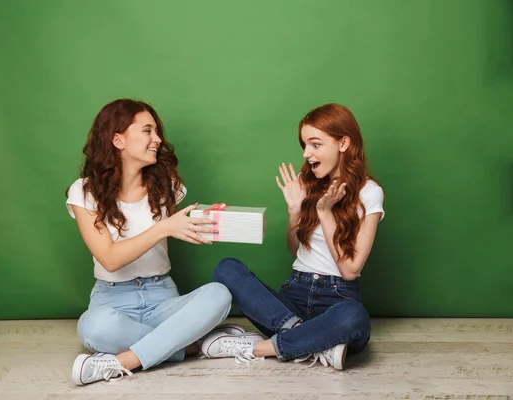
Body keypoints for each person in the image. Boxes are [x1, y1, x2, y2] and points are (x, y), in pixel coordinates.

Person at [66, 99, 238, 385]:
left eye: (156, 132)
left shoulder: (166, 185)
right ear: (118, 139)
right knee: (93, 327)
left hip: (162, 296)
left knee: (219, 294)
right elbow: (109, 258)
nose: (157, 139)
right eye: (147, 131)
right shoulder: (84, 192)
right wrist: (165, 228)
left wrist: (213, 220)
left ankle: (124, 361)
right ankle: (191, 345)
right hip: (112, 299)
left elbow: (184, 226)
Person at [201, 103, 385, 370]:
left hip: (338, 297)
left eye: (315, 144)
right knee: (227, 269)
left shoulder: (370, 193)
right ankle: (309, 340)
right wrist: (294, 210)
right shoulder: (307, 182)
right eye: (304, 145)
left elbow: (350, 270)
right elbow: (295, 248)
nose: (307, 153)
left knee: (353, 317)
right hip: (293, 297)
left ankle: (262, 347)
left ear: (343, 143)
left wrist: (324, 212)